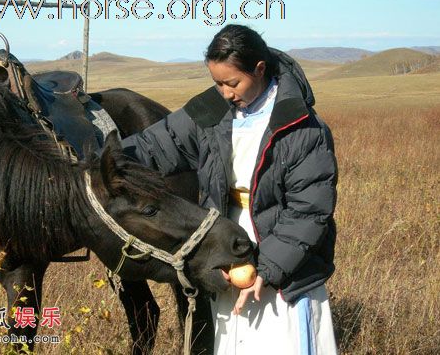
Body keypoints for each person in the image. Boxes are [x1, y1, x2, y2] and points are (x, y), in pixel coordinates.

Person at [122, 24, 338, 354]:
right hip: (227, 242)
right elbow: (159, 143)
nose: (224, 92)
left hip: (285, 259)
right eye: (217, 83)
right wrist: (104, 163)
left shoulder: (301, 126)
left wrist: (269, 269)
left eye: (232, 82)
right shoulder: (215, 110)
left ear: (260, 69)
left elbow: (309, 211)